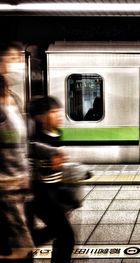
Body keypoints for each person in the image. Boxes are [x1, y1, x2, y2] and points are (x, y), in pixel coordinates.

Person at [28, 96, 75, 263]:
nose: (59, 115)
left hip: (55, 192)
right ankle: (25, 242)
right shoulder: (37, 138)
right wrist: (52, 157)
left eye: (58, 111)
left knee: (62, 237)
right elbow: (33, 153)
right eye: (53, 112)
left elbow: (57, 168)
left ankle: (25, 242)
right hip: (42, 195)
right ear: (39, 117)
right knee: (66, 236)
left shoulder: (56, 134)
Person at [0, 43, 34, 262]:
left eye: (19, 59)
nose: (18, 65)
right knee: (18, 253)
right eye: (12, 58)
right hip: (4, 192)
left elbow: (18, 144)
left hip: (20, 189)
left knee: (24, 251)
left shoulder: (14, 98)